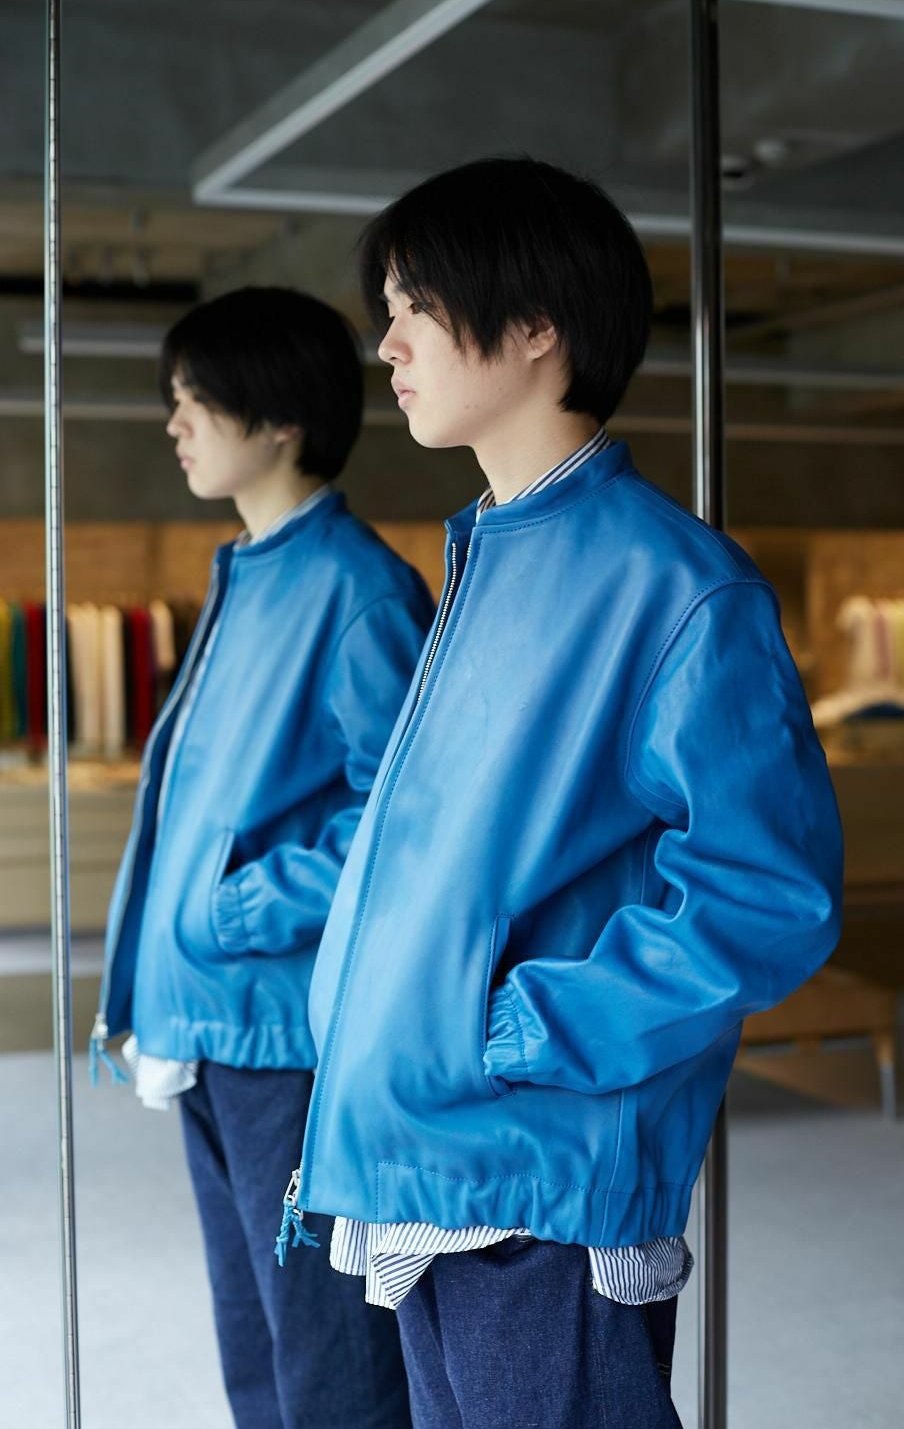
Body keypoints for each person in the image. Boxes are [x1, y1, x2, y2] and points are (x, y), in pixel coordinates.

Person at [292, 158, 844, 1429]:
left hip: (537, 1176)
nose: (389, 345)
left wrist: (520, 1030)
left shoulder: (674, 585)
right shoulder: (487, 560)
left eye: (417, 309)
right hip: (435, 1154)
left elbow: (768, 895)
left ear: (536, 325)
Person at [93, 286, 432, 1429]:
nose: (176, 423)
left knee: (329, 1360)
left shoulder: (356, 591)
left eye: (196, 400)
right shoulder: (250, 571)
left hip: (283, 1034)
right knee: (255, 1344)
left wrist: (236, 911)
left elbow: (405, 826)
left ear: (281, 416)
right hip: (211, 1028)